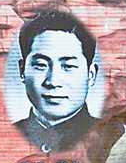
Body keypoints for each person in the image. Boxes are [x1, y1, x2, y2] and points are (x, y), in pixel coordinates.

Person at [13, 11, 100, 153]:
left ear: (91, 75)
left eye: (68, 66)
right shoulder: (4, 135)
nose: (53, 81)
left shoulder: (109, 132)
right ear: (22, 70)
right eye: (41, 65)